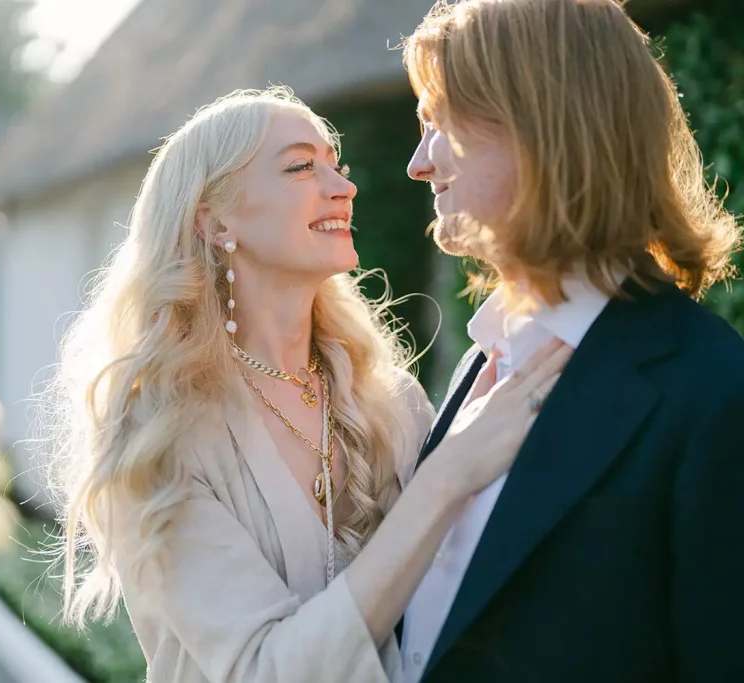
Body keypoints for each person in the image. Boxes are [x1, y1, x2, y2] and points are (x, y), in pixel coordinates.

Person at [45, 86, 569, 683]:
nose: (344, 188)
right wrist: (449, 477)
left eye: (336, 166)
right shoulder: (156, 432)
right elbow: (263, 671)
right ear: (213, 220)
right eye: (301, 167)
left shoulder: (393, 402)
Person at [399, 1, 744, 682]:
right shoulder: (482, 365)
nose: (418, 162)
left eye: (438, 122)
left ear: (541, 120)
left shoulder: (723, 410)